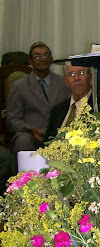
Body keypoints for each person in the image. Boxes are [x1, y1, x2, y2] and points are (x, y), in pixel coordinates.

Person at [6, 42, 71, 172]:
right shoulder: (19, 86)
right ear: (30, 61)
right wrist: (30, 130)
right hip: (32, 136)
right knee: (22, 140)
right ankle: (21, 184)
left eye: (46, 55)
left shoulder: (63, 82)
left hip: (57, 135)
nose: (43, 59)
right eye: (37, 56)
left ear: (51, 59)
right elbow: (12, 120)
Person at [45, 64, 93, 141]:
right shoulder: (57, 110)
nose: (76, 78)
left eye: (81, 73)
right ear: (66, 81)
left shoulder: (98, 106)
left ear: (90, 77)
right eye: (71, 74)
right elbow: (45, 144)